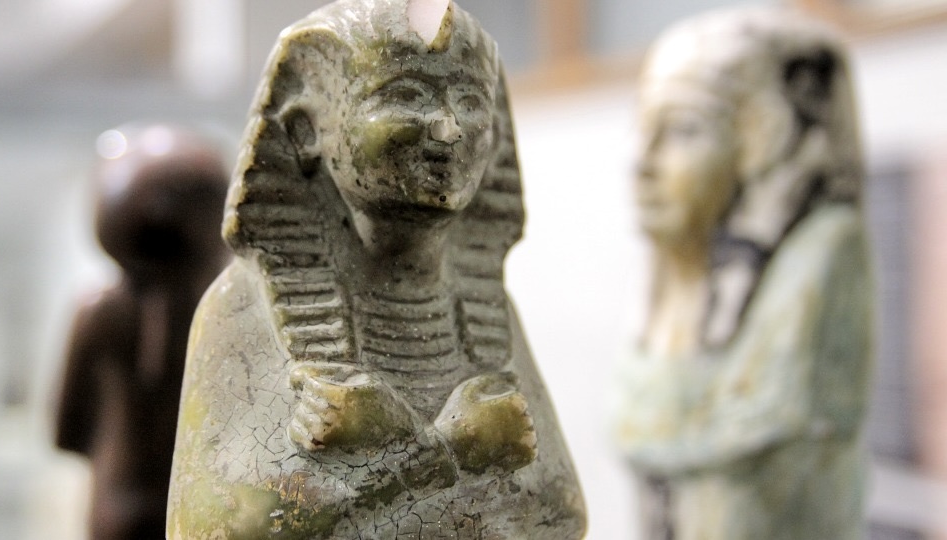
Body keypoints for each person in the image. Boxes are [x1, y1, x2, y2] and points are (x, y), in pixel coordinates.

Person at [166, 1, 586, 538]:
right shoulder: (240, 305)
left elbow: (562, 510)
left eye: (470, 102)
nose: (447, 128)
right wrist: (455, 452)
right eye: (404, 96)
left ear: (497, 134)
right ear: (305, 130)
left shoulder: (491, 309)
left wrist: (386, 460)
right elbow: (216, 526)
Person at [613, 9, 872, 540]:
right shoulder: (675, 268)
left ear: (757, 141)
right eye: (643, 128)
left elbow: (735, 461)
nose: (641, 162)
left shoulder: (825, 251)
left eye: (682, 130)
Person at [55, 124, 229, 540]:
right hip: (201, 504)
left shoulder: (100, 312)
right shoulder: (221, 311)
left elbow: (67, 430)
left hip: (116, 499)